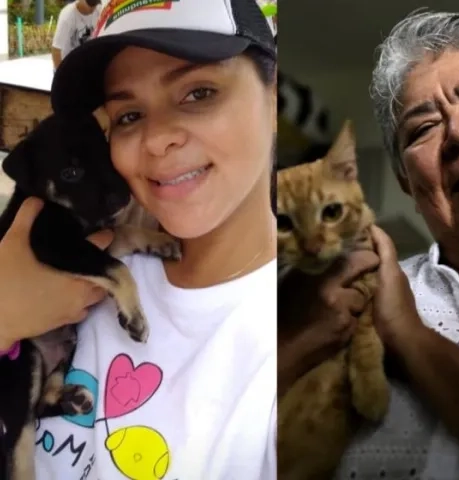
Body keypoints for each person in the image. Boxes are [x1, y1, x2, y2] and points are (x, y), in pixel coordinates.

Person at [278, 10, 459, 480]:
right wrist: (292, 341)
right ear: (405, 181)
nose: (458, 131)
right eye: (423, 128)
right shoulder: (327, 296)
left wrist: (406, 335)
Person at [0, 0, 277, 478]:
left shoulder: (296, 338)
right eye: (127, 116)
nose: (156, 140)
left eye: (199, 93)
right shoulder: (78, 253)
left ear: (277, 102)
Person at [51, 0, 102, 70]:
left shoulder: (99, 10)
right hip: (68, 66)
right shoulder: (68, 15)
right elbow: (56, 49)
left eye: (96, 4)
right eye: (90, 4)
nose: (92, 9)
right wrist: (61, 75)